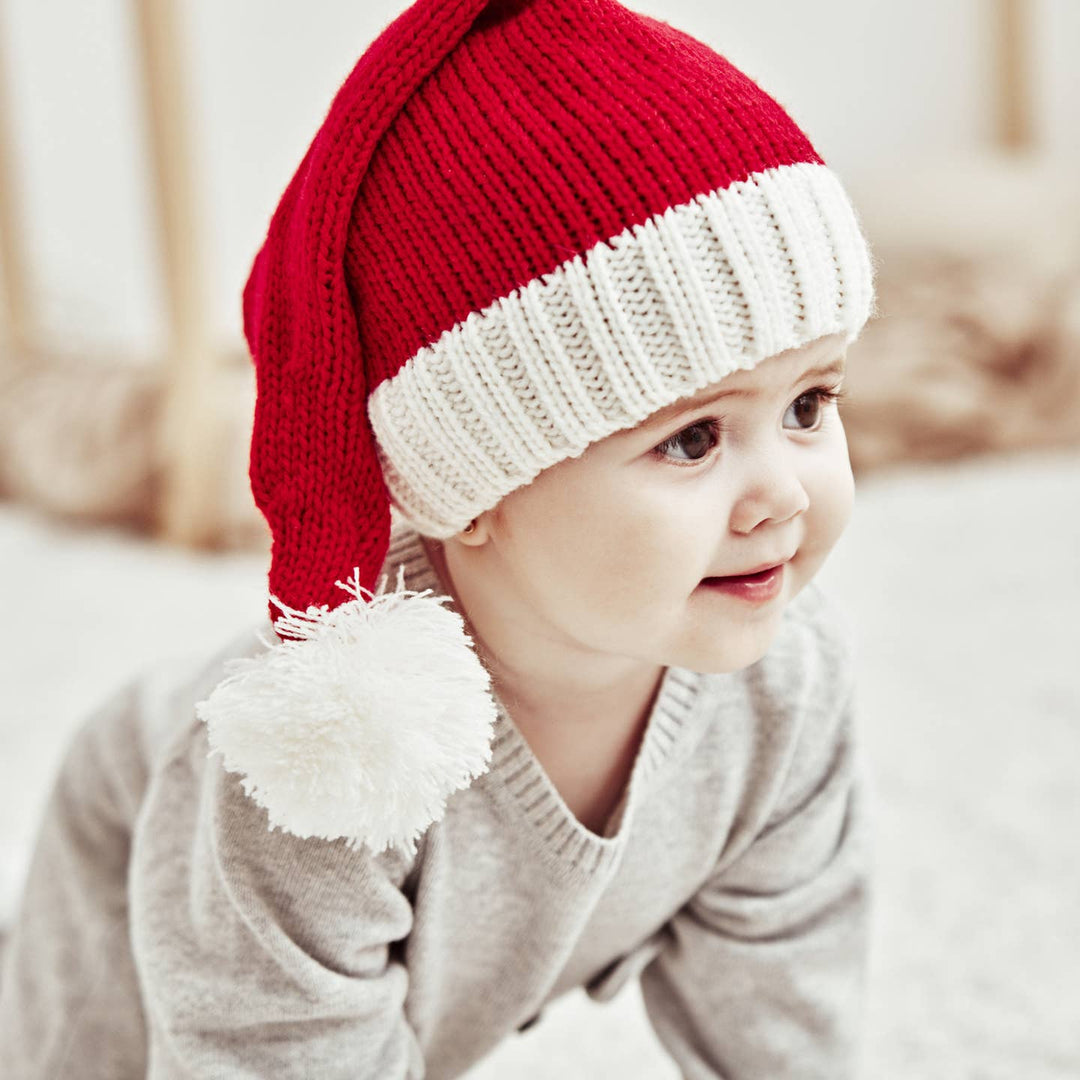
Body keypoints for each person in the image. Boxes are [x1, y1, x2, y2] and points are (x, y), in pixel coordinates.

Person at [0, 0, 878, 1076]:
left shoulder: (784, 685)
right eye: (693, 439)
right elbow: (283, 1050)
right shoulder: (329, 766)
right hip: (141, 848)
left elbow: (785, 1009)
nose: (783, 495)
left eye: (809, 404)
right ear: (473, 487)